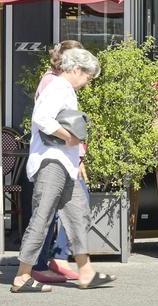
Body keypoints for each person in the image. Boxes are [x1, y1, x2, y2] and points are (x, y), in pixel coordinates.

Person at [11, 47, 115, 293]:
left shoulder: (64, 88)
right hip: (52, 162)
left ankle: (86, 272)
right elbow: (41, 118)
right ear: (77, 69)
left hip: (65, 164)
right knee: (43, 216)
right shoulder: (58, 87)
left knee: (78, 214)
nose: (88, 83)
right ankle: (22, 276)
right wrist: (68, 137)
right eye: (88, 76)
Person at [30, 40, 82, 284]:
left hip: (64, 156)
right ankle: (40, 264)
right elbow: (45, 119)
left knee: (56, 210)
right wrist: (70, 139)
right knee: (47, 212)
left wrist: (78, 154)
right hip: (53, 156)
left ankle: (55, 259)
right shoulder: (53, 82)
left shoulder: (61, 82)